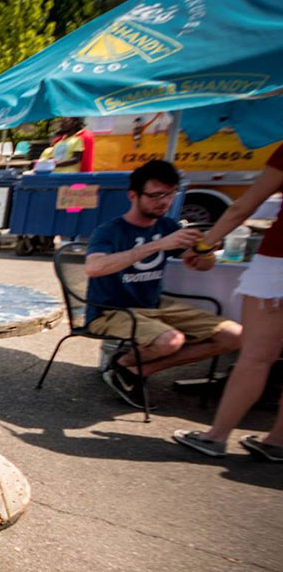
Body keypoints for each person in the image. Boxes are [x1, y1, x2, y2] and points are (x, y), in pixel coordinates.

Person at [84, 159, 243, 407]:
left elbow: (203, 265)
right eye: (155, 195)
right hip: (110, 310)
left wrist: (204, 250)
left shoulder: (168, 226)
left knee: (235, 336)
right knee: (171, 341)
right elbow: (94, 268)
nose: (164, 202)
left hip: (155, 306)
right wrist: (159, 245)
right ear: (133, 195)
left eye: (170, 195)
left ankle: (132, 368)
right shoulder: (110, 231)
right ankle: (125, 366)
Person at [173, 146, 283, 459]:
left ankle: (216, 436)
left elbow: (242, 207)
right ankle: (277, 441)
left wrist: (206, 245)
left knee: (257, 356)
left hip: (278, 266)